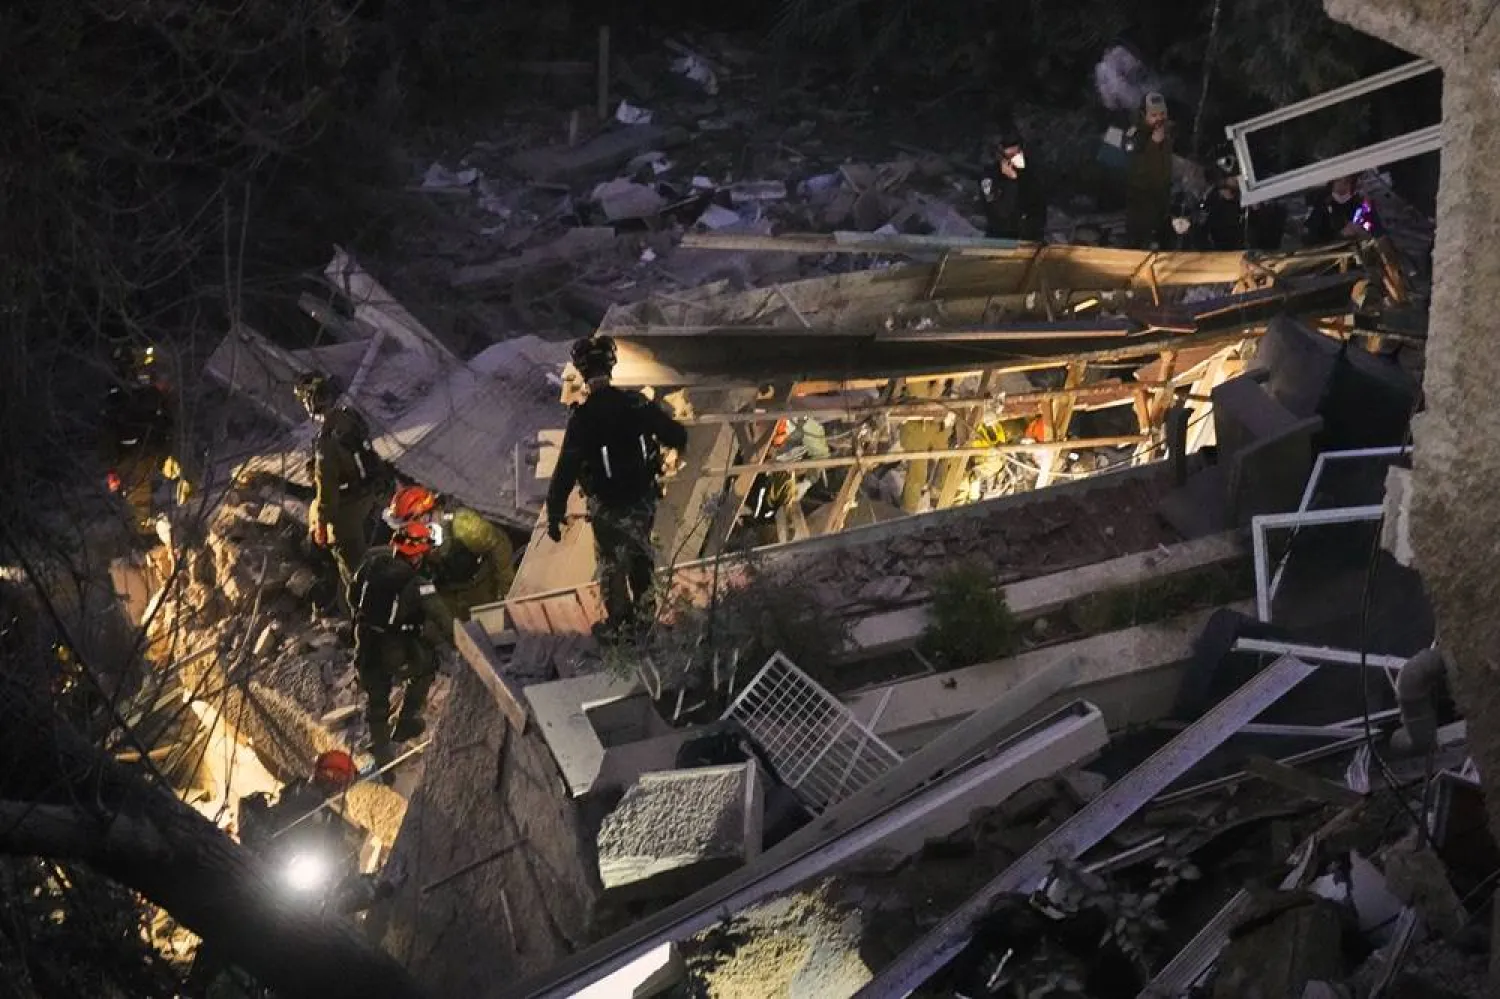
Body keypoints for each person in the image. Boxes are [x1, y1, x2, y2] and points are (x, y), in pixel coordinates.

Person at [546, 336, 688, 644]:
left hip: (607, 506)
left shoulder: (583, 418)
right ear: (611, 367)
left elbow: (566, 469)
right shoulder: (636, 404)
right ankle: (646, 622)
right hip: (641, 500)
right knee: (640, 556)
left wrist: (555, 513)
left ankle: (620, 628)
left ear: (583, 372)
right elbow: (675, 434)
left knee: (611, 564)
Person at [296, 373, 390, 589]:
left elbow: (327, 489)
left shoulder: (325, 441)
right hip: (371, 492)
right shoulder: (350, 417)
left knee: (352, 568)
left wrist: (321, 524)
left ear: (311, 403)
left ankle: (368, 599)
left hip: (349, 505)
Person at [385, 483, 515, 635]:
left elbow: (499, 545)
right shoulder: (413, 541)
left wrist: (508, 590)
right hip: (448, 594)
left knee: (495, 630)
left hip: (482, 587)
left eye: (407, 526)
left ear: (424, 517)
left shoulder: (465, 526)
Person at [348, 549, 438, 767]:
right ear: (417, 556)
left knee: (376, 698)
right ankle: (406, 720)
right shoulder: (419, 583)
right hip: (393, 647)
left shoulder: (373, 564)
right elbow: (440, 614)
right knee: (426, 667)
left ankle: (382, 755)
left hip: (365, 638)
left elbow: (351, 594)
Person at [101, 343, 180, 536]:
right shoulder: (118, 396)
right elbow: (108, 432)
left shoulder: (148, 388)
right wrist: (111, 468)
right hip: (132, 455)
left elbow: (166, 415)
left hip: (156, 447)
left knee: (184, 473)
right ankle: (151, 533)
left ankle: (186, 514)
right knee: (140, 507)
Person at [1124, 92, 1175, 250]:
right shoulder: (1135, 137)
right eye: (1154, 115)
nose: (1159, 119)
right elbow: (1138, 172)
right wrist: (1154, 144)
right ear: (1143, 115)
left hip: (1163, 204)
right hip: (1142, 208)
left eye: (1162, 114)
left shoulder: (1166, 133)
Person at [979, 131, 1045, 241]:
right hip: (1000, 237)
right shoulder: (989, 177)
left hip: (1027, 237)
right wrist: (1011, 181)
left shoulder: (1028, 173)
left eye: (1017, 152)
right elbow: (1001, 211)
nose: (1015, 157)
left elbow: (1037, 205)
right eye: (1010, 154)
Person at [1304, 175, 1384, 245]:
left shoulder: (1360, 203)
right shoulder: (1322, 204)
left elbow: (1378, 233)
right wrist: (1340, 235)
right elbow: (1312, 237)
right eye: (1338, 180)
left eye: (1347, 181)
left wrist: (1364, 230)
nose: (1342, 185)